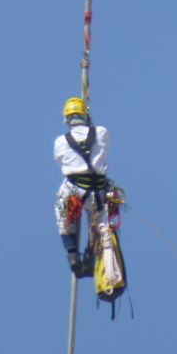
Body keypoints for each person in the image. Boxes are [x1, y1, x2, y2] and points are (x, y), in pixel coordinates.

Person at [54, 96, 113, 277]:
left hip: (73, 189)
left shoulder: (61, 141)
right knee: (101, 221)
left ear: (67, 119)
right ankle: (91, 254)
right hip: (98, 191)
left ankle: (72, 254)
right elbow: (103, 149)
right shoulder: (101, 132)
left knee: (62, 213)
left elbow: (61, 162)